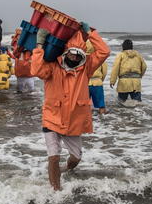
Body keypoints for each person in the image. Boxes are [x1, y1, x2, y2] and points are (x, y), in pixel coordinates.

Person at [31, 22, 110, 191]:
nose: (74, 58)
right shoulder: (52, 66)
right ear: (66, 52)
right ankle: (56, 192)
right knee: (53, 156)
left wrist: (89, 33)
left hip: (74, 122)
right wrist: (39, 45)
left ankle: (65, 170)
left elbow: (104, 51)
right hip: (52, 117)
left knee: (75, 159)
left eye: (78, 55)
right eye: (72, 54)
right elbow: (36, 70)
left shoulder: (86, 68)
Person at [109, 39, 147, 104]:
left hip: (124, 82)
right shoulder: (138, 55)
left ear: (123, 46)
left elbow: (115, 68)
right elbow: (144, 66)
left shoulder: (121, 55)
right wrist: (140, 76)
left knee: (121, 103)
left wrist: (112, 81)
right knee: (137, 103)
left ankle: (123, 113)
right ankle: (138, 113)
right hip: (136, 82)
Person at [86, 40, 108, 114]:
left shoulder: (82, 58)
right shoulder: (99, 57)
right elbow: (104, 70)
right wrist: (101, 80)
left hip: (85, 83)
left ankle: (89, 118)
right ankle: (103, 118)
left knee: (86, 104)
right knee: (101, 105)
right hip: (97, 82)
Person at [11, 28, 35, 93]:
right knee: (29, 91)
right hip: (25, 74)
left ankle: (22, 99)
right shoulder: (21, 49)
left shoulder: (29, 49)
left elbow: (14, 54)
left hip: (24, 74)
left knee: (23, 91)